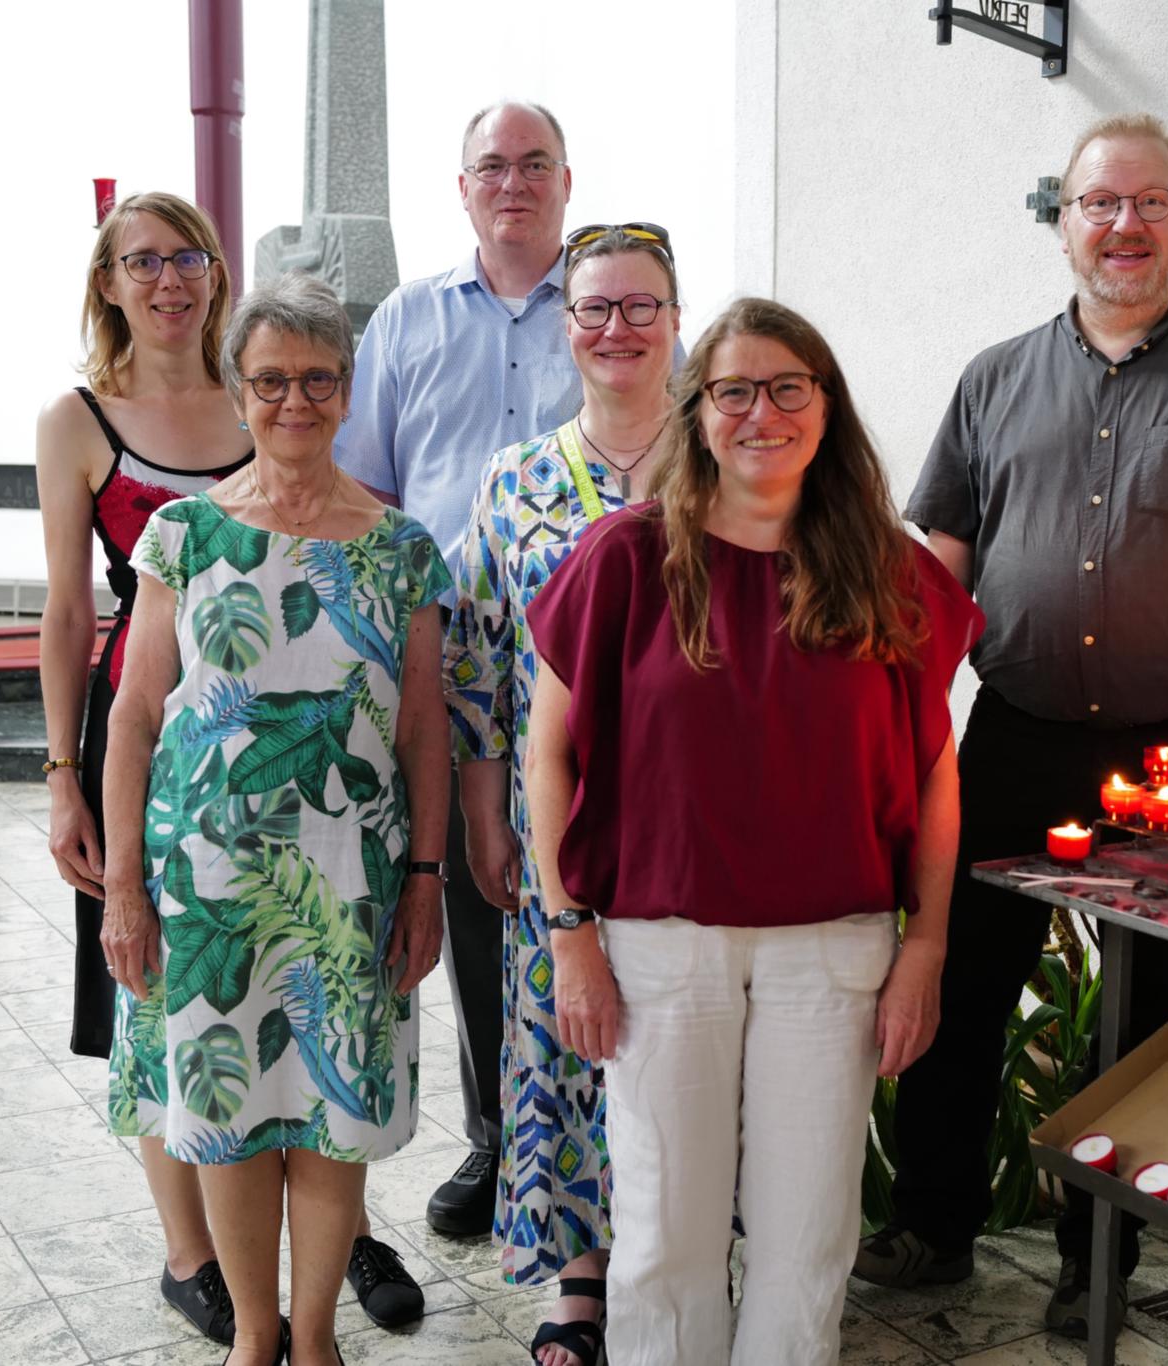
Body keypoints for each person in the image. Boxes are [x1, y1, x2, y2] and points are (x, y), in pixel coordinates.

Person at [854, 112, 1168, 1338]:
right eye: (1098, 204)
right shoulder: (992, 376)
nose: (1122, 225)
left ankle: (1097, 1254)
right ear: (1060, 221)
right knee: (961, 986)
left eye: (1148, 203)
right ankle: (932, 1223)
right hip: (1011, 732)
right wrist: (904, 725)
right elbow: (941, 563)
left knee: (1144, 1018)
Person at [523, 298, 982, 1366]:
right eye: (733, 390)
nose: (759, 413)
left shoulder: (891, 571)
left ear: (825, 408)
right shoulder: (625, 559)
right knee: (662, 1235)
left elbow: (932, 771)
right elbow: (547, 755)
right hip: (658, 944)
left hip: (834, 948)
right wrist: (567, 933)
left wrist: (926, 945)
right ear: (698, 411)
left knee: (806, 1234)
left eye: (787, 387)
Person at [102, 272, 450, 1366]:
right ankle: (254, 1336)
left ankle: (314, 1338)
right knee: (231, 1115)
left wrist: (427, 879)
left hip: (351, 885)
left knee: (327, 1120)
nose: (292, 400)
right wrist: (121, 883)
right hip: (202, 885)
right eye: (268, 380)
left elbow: (424, 734)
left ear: (346, 390)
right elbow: (132, 721)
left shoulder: (399, 549)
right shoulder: (184, 536)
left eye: (315, 378)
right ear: (237, 390)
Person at [336, 99, 582, 1239]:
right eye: (494, 165)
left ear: (565, 182)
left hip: (590, 659)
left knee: (590, 880)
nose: (514, 182)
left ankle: (598, 1134)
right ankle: (495, 1139)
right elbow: (368, 495)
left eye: (535, 163)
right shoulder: (404, 320)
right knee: (477, 891)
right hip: (447, 648)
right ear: (464, 187)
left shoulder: (612, 311)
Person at [445, 223, 682, 1366]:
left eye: (639, 306)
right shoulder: (518, 478)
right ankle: (578, 1280)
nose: (615, 329)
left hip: (702, 828)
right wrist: (485, 815)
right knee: (564, 1036)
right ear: (563, 325)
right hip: (559, 826)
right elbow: (481, 663)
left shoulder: (730, 460)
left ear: (676, 319)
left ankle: (682, 1256)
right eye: (592, 309)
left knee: (686, 1037)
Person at [35, 191, 257, 1347]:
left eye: (188, 258)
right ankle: (189, 1252)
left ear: (215, 274)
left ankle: (291, 1233)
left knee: (254, 983)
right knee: (152, 990)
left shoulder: (262, 395)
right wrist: (62, 773)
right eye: (142, 261)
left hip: (259, 738)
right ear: (109, 282)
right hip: (143, 730)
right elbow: (68, 611)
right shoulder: (77, 421)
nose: (169, 279)